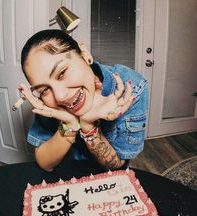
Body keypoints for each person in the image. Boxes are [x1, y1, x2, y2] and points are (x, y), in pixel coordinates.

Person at [19, 29, 148, 172]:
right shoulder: (48, 104)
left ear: (85, 55)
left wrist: (88, 125)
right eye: (44, 90)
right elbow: (46, 164)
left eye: (61, 73)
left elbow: (118, 166)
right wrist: (70, 124)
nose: (60, 96)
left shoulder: (131, 87)